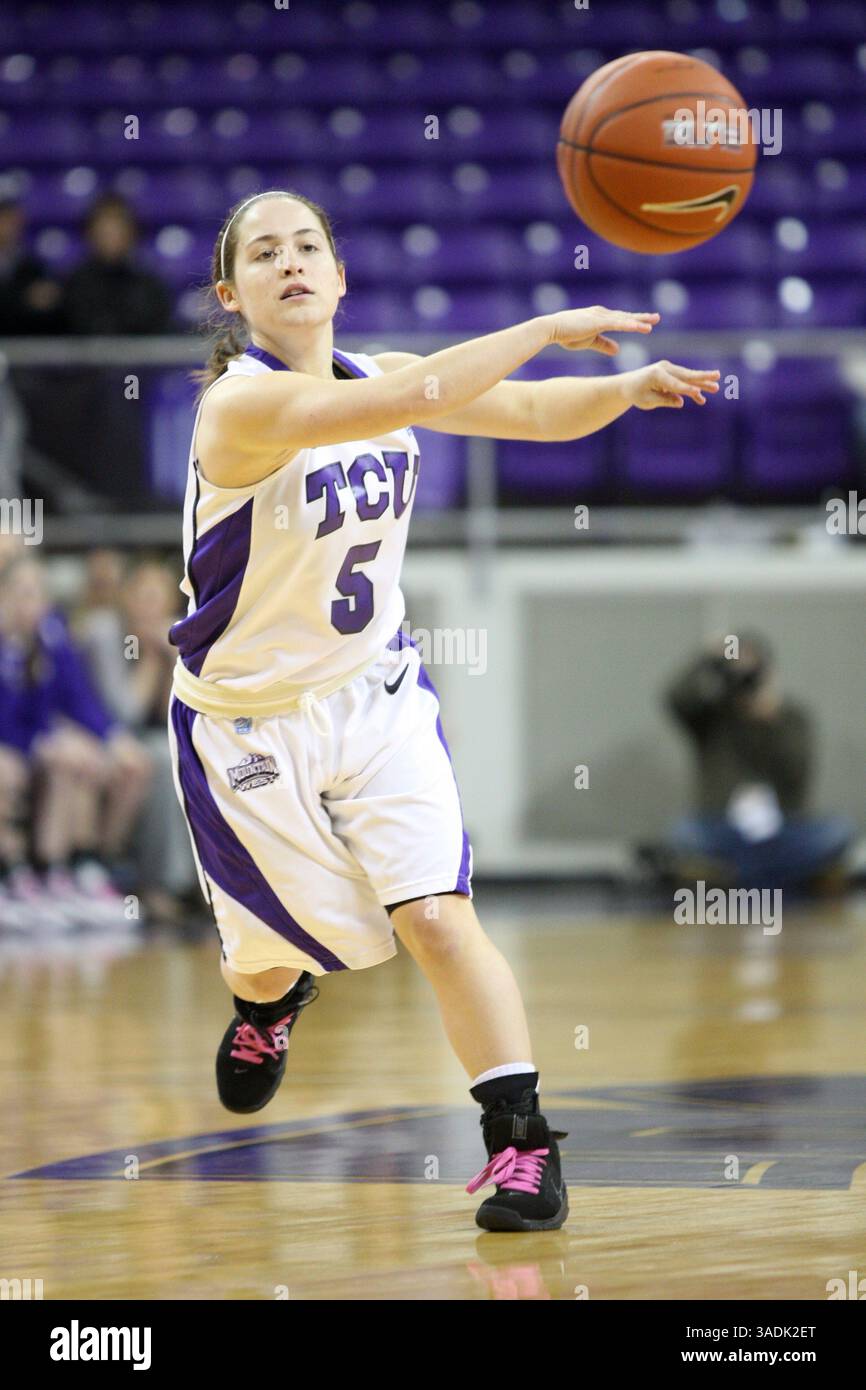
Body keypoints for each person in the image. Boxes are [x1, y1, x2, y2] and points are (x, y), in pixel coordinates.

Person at [167, 187, 719, 1232]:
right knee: (269, 952)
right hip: (243, 720)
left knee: (433, 916)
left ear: (338, 274)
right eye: (265, 252)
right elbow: (409, 397)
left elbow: (528, 412)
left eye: (308, 245)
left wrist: (621, 387)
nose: (291, 262)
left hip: (375, 691)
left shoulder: (376, 374)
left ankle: (519, 1146)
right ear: (230, 293)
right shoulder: (235, 406)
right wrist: (545, 325)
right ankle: (265, 1005)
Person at [0, 553, 152, 930]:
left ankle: (82, 869)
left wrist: (111, 739)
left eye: (39, 594)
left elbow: (79, 697)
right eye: (24, 593)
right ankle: (17, 875)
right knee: (53, 762)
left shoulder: (50, 635)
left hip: (29, 741)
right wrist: (41, 741)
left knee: (105, 761)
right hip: (12, 743)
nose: (34, 603)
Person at [664, 634, 855, 891]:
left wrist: (770, 719)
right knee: (683, 832)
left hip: (783, 829)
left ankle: (734, 875)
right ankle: (791, 874)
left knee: (838, 830)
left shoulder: (792, 717)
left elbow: (796, 767)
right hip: (723, 827)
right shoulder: (711, 718)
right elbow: (675, 698)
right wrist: (708, 658)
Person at [73, 551, 198, 923]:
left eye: (158, 598)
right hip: (99, 737)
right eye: (142, 595)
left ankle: (204, 885)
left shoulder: (176, 632)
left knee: (192, 753)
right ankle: (161, 885)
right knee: (162, 758)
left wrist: (173, 659)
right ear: (126, 596)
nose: (149, 607)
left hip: (148, 737)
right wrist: (150, 660)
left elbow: (177, 715)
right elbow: (123, 714)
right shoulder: (104, 632)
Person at [62, 194, 173, 335]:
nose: (111, 234)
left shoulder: (151, 286)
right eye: (104, 228)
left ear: (132, 232)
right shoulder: (73, 284)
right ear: (90, 232)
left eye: (117, 225)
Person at [0, 195, 64, 336]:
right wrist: (23, 298)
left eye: (13, 221)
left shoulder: (33, 267)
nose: (8, 227)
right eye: (4, 219)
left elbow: (45, 310)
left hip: (20, 343)